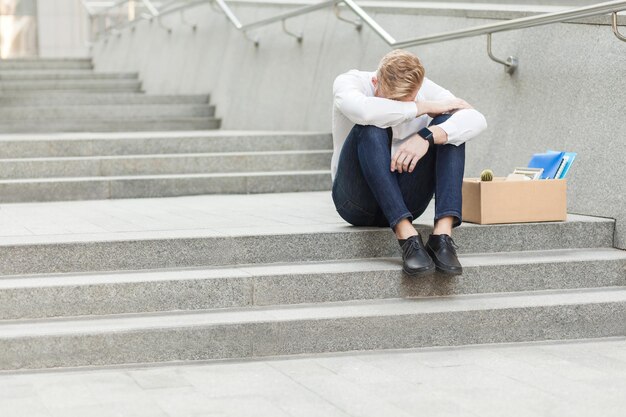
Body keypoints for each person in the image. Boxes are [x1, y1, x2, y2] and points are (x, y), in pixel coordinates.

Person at [331, 49, 487, 276]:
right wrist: (421, 108)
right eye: (392, 102)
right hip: (355, 201)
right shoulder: (350, 82)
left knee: (449, 128)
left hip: (408, 199)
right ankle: (407, 236)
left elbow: (476, 119)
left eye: (410, 101)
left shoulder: (426, 88)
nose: (400, 109)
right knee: (372, 126)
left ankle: (442, 236)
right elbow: (364, 111)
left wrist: (427, 136)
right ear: (376, 81)